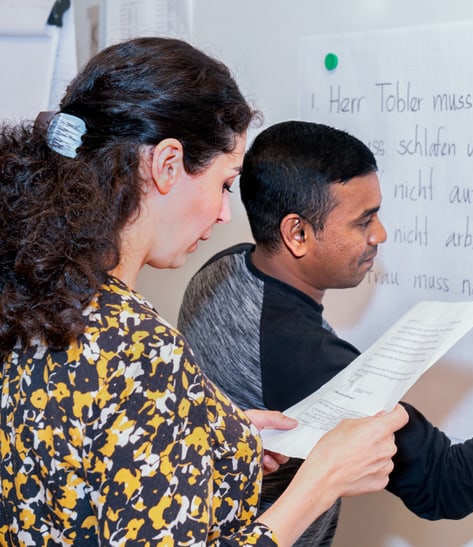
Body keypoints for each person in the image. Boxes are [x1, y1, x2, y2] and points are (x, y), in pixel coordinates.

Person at [0, 40, 408, 546]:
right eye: (224, 184)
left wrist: (214, 434)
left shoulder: (38, 295)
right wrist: (320, 480)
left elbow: (92, 452)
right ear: (168, 164)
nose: (222, 214)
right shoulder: (136, 349)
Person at [178, 120, 473, 546]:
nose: (380, 234)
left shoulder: (224, 268)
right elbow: (448, 485)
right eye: (363, 220)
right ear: (296, 234)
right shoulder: (302, 357)